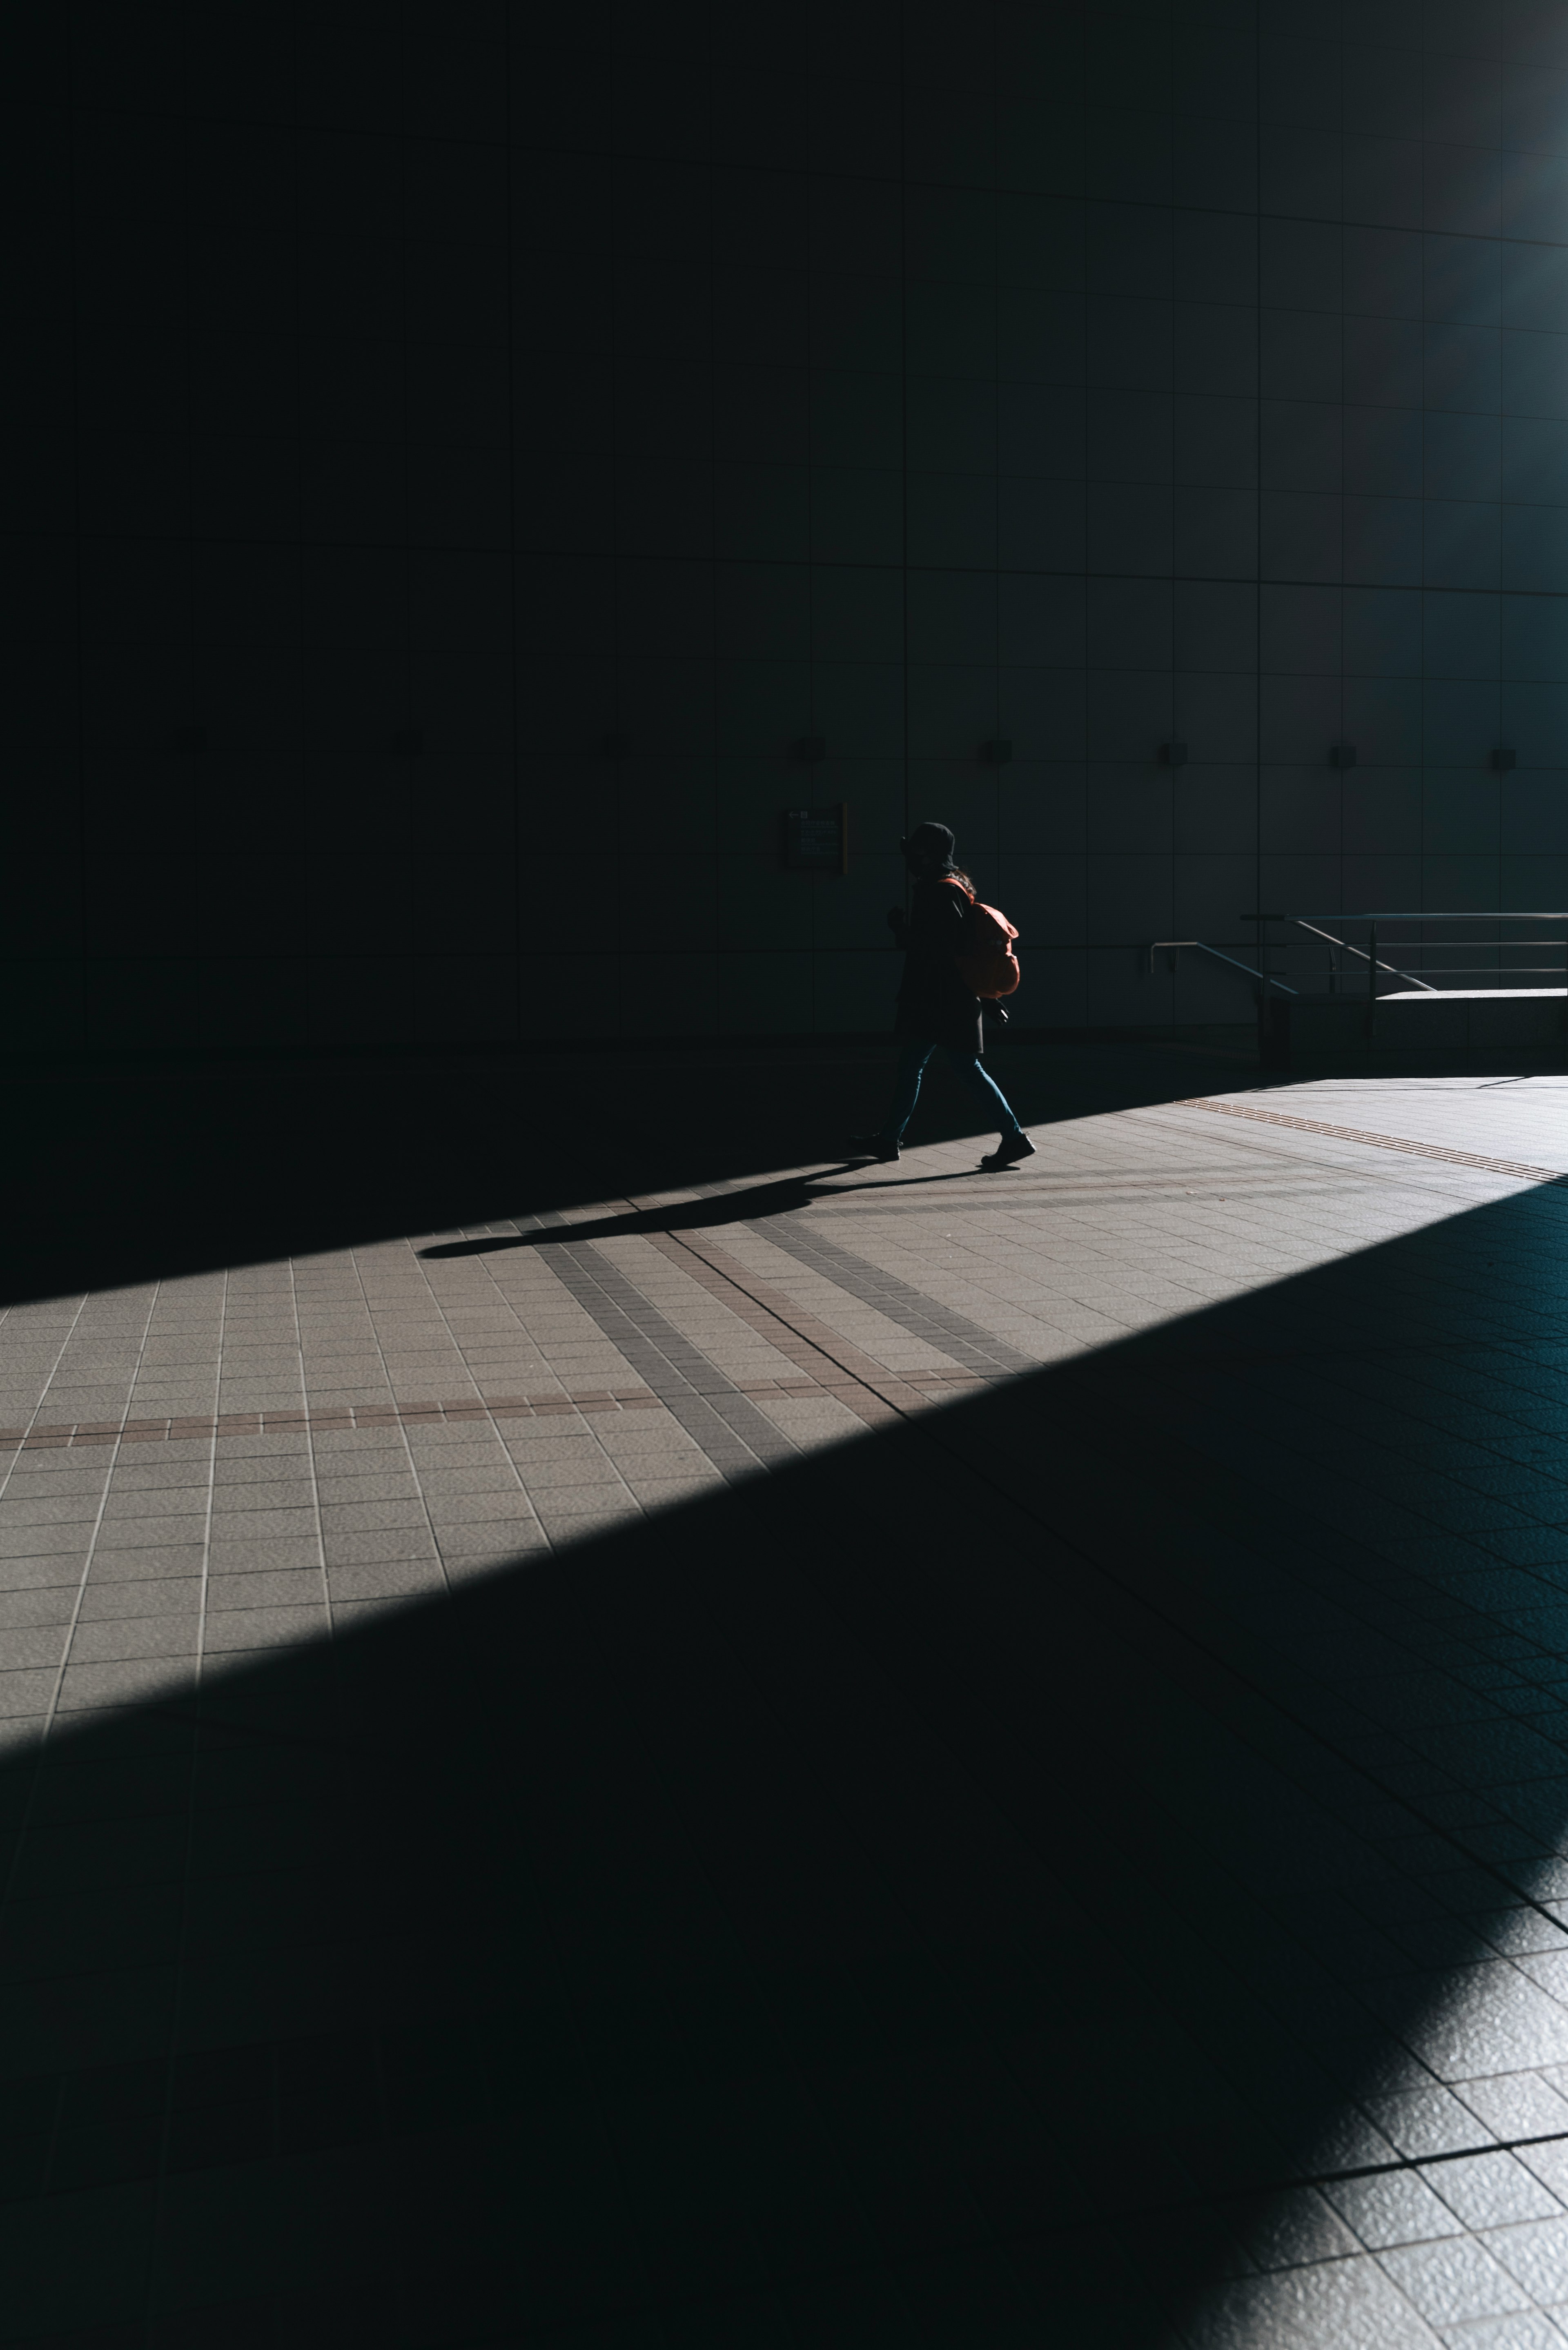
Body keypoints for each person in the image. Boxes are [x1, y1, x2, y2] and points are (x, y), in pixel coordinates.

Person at [851, 821, 1035, 1169]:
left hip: (942, 998)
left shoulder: (940, 891)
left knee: (955, 1067)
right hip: (946, 997)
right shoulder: (956, 885)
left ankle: (1014, 1138)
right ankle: (890, 1138)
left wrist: (901, 932)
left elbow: (945, 949)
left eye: (916, 853)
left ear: (931, 854)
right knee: (922, 1065)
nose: (911, 860)